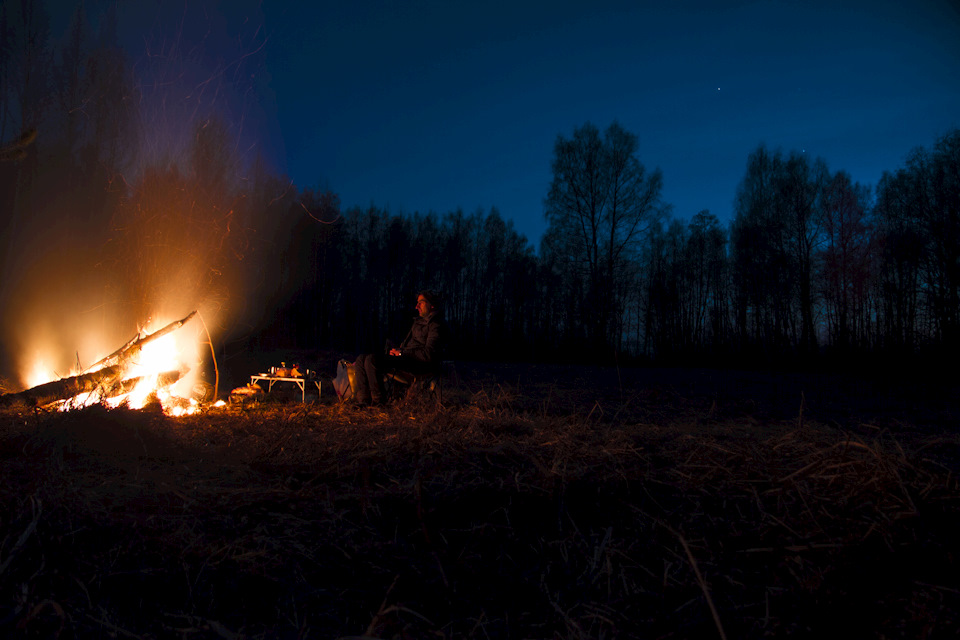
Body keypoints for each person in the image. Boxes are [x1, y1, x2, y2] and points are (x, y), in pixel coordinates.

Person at [353, 290, 445, 405]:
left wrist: (402, 353)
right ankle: (364, 401)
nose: (417, 306)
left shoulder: (436, 325)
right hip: (406, 359)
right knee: (361, 359)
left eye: (421, 303)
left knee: (372, 360)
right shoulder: (417, 322)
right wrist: (397, 350)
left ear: (431, 305)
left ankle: (378, 401)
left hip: (418, 364)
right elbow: (408, 345)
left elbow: (428, 354)